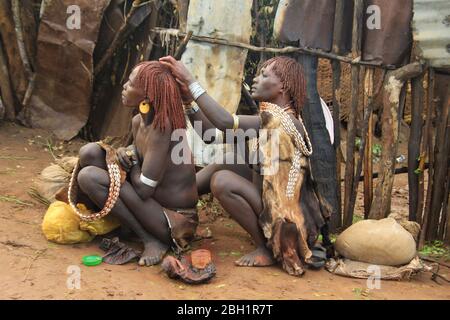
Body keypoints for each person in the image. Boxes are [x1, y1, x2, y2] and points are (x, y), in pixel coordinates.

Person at [160, 55, 330, 276]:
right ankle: (173, 207)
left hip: (288, 225)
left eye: (264, 75)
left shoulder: (284, 121)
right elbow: (210, 134)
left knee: (222, 181)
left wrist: (191, 82)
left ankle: (268, 248)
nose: (256, 79)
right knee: (227, 162)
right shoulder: (269, 119)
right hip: (271, 205)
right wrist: (187, 102)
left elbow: (224, 121)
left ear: (283, 87)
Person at [73, 61, 198, 266]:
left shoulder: (163, 126)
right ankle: (131, 227)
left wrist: (130, 162)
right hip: (149, 205)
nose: (124, 87)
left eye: (130, 84)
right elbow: (134, 158)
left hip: (173, 221)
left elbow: (143, 189)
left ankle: (149, 238)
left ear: (147, 97)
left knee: (89, 177)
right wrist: (125, 152)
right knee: (90, 153)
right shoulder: (138, 121)